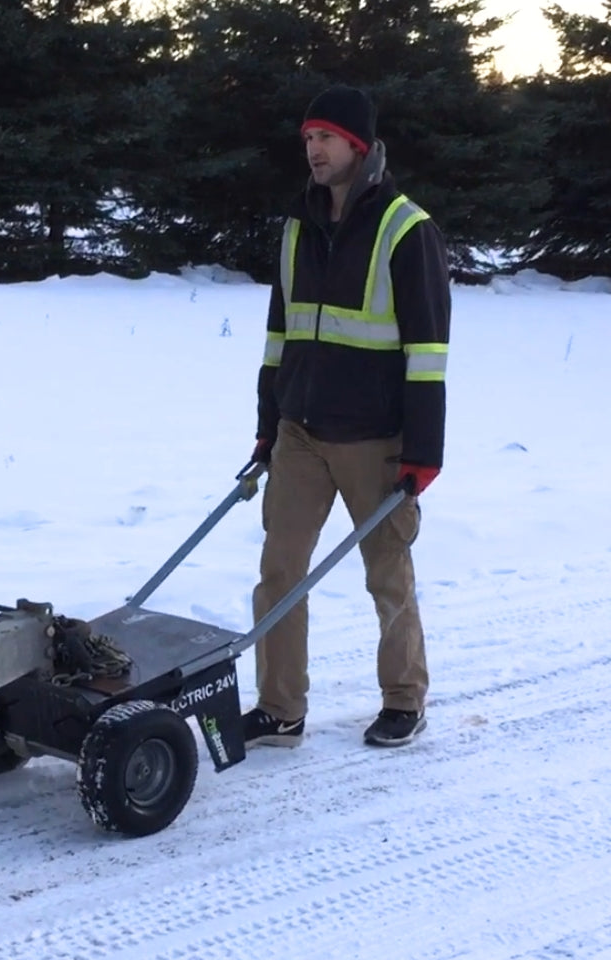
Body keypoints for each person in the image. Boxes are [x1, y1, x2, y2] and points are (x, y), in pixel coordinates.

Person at [244, 85, 450, 749]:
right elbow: (280, 337)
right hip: (301, 432)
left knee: (387, 575)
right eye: (308, 139)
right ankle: (280, 708)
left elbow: (427, 352)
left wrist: (424, 449)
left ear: (358, 146)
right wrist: (268, 422)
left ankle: (404, 698)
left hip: (376, 438)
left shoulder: (406, 229)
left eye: (326, 139)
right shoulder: (297, 227)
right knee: (279, 572)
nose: (314, 150)